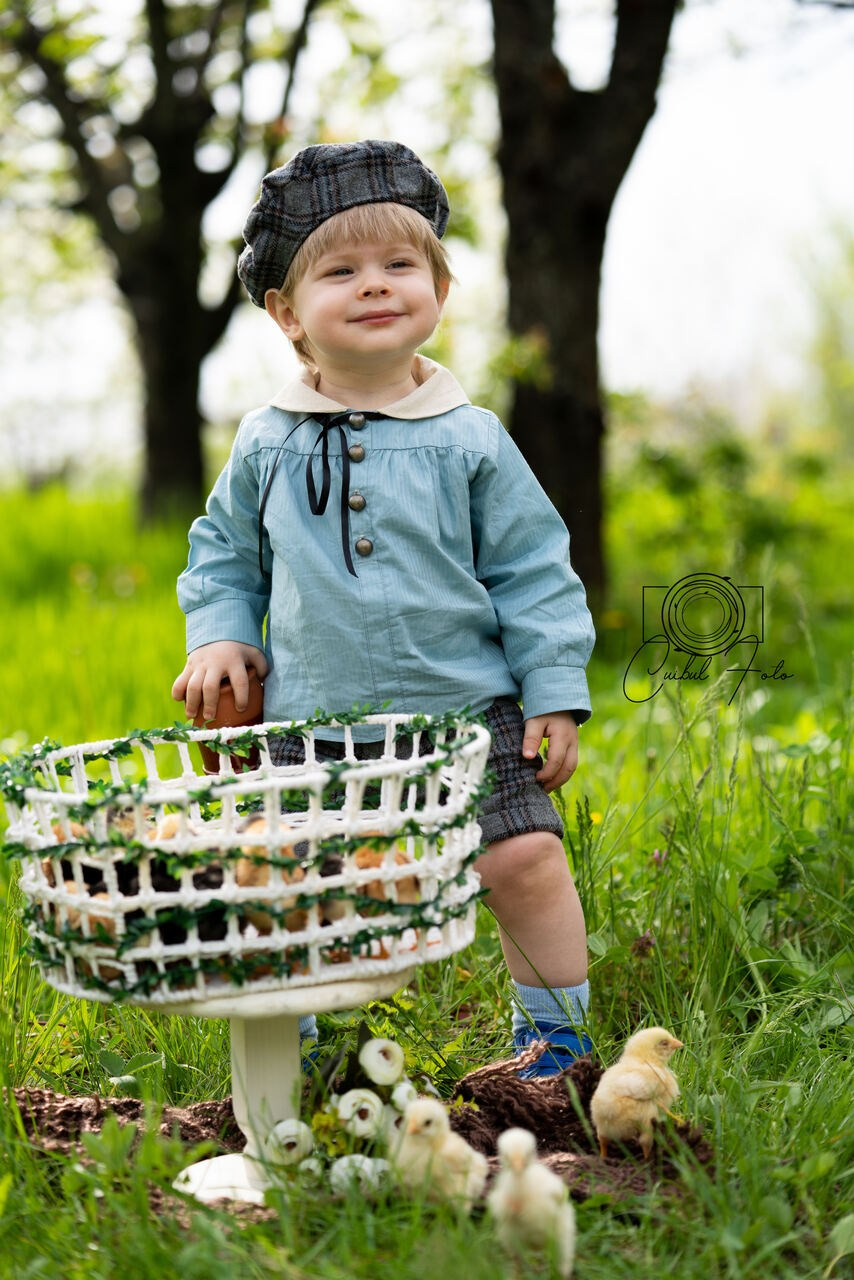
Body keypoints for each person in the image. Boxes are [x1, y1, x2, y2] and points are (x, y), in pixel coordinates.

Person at [171, 140, 595, 1077]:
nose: (374, 284)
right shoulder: (267, 441)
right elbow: (224, 554)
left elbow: (533, 568)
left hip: (470, 715)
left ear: (437, 291)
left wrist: (554, 688)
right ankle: (293, 1053)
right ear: (287, 313)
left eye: (400, 264)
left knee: (524, 860)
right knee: (290, 884)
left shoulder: (472, 438)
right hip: (311, 724)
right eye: (341, 271)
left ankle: (556, 1044)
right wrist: (222, 637)